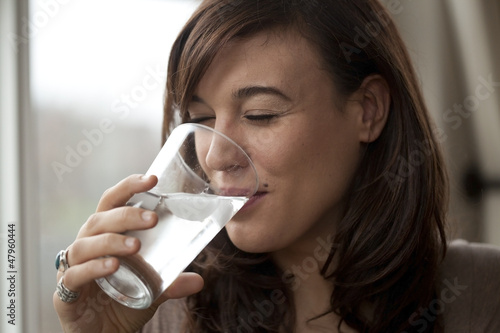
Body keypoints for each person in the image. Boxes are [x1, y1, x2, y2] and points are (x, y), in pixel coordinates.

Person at [53, 0, 500, 332]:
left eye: (260, 114)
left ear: (367, 111)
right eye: (201, 119)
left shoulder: (482, 294)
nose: (214, 156)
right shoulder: (166, 309)